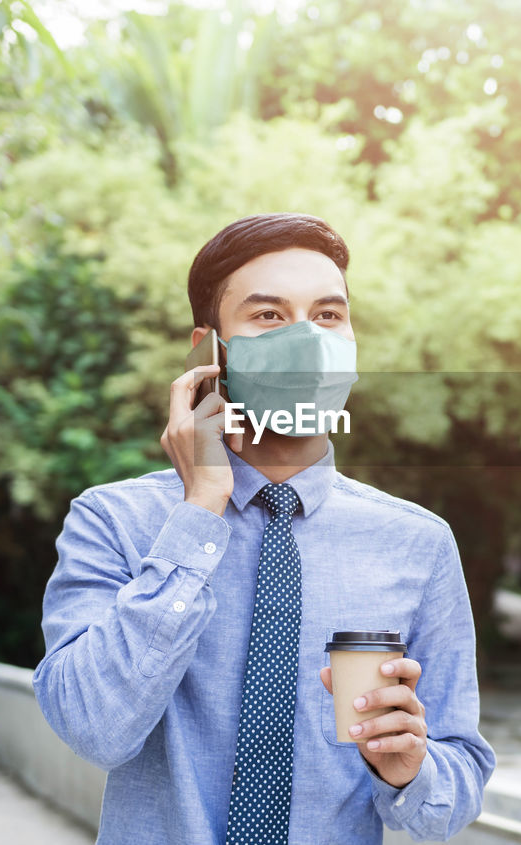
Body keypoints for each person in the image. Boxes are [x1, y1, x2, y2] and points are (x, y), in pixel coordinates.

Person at [32, 212, 496, 845]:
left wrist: (408, 770)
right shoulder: (115, 521)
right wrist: (200, 509)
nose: (308, 340)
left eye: (329, 316)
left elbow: (457, 786)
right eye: (270, 316)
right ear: (209, 352)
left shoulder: (418, 543)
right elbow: (93, 728)